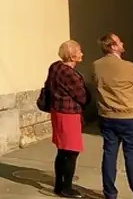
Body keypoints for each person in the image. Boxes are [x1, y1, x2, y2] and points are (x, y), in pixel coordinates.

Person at [93, 32, 133, 199]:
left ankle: (110, 193)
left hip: (107, 115)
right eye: (119, 41)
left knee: (109, 154)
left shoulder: (96, 65)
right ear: (112, 46)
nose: (122, 43)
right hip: (129, 117)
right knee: (132, 158)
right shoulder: (127, 66)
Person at [46, 40, 90, 197]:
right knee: (71, 152)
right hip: (69, 114)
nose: (82, 54)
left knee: (62, 150)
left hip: (57, 111)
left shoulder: (55, 67)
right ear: (72, 55)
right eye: (79, 51)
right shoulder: (69, 73)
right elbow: (81, 95)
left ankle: (59, 185)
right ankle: (67, 187)